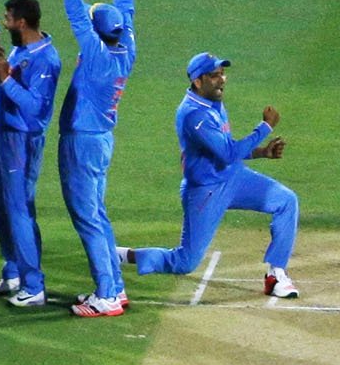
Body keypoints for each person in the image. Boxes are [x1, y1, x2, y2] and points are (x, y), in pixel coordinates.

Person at [120, 54, 300, 299]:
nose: (222, 80)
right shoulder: (194, 115)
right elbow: (227, 153)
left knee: (286, 201)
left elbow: (227, 148)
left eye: (222, 73)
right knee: (185, 262)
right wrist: (264, 128)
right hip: (206, 191)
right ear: (198, 81)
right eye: (215, 75)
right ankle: (118, 255)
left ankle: (276, 275)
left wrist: (262, 152)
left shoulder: (213, 102)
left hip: (234, 178)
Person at [57, 0, 137, 317]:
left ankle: (105, 295)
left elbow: (76, 16)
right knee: (97, 213)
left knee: (86, 217)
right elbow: (126, 8)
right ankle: (115, 288)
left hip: (82, 141)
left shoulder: (96, 55)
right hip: (102, 139)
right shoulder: (126, 45)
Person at [0, 0, 61, 306]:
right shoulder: (20, 49)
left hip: (22, 141)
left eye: (8, 18)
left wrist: (2, 76)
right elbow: (8, 92)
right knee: (0, 204)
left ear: (21, 22)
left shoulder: (46, 58)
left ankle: (33, 284)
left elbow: (35, 108)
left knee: (19, 209)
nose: (3, 22)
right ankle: (13, 270)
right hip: (1, 133)